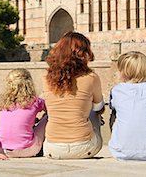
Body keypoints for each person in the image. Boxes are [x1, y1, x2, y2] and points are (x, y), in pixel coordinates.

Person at [43, 31, 104, 159]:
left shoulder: (47, 79)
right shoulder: (91, 78)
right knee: (93, 112)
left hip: (52, 149)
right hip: (84, 148)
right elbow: (99, 107)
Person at [0, 69, 47, 158]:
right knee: (48, 117)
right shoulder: (35, 101)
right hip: (27, 150)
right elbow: (51, 111)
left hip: (3, 149)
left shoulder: (3, 103)